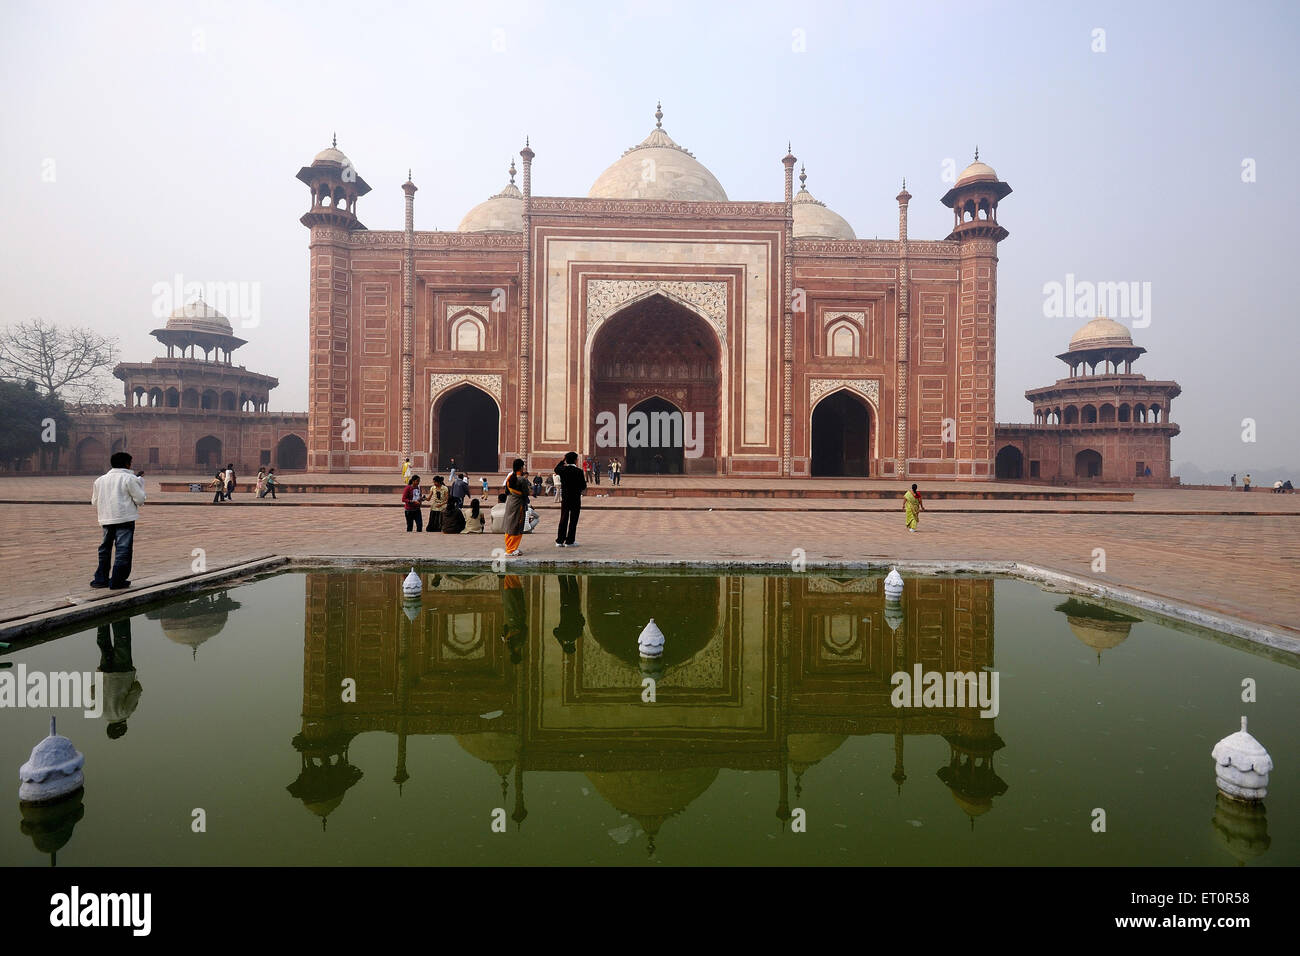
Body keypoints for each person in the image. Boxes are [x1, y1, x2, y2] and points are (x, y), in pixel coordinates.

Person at [90, 451, 147, 590]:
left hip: (106, 518)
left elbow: (94, 501)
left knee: (105, 548)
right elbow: (140, 499)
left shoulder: (100, 480)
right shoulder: (130, 479)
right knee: (123, 549)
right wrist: (140, 483)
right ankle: (117, 580)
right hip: (125, 518)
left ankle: (100, 579)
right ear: (127, 464)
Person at [554, 451, 587, 548]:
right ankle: (570, 541)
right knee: (573, 519)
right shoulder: (579, 471)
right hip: (575, 498)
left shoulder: (563, 470)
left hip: (565, 498)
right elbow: (583, 486)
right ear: (576, 460)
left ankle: (560, 541)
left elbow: (556, 469)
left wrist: (563, 459)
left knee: (563, 518)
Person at [503, 459, 530, 556]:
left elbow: (506, 491)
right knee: (517, 525)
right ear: (521, 467)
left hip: (510, 502)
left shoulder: (510, 477)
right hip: (518, 504)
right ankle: (512, 549)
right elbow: (526, 493)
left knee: (510, 524)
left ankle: (509, 547)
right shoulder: (522, 479)